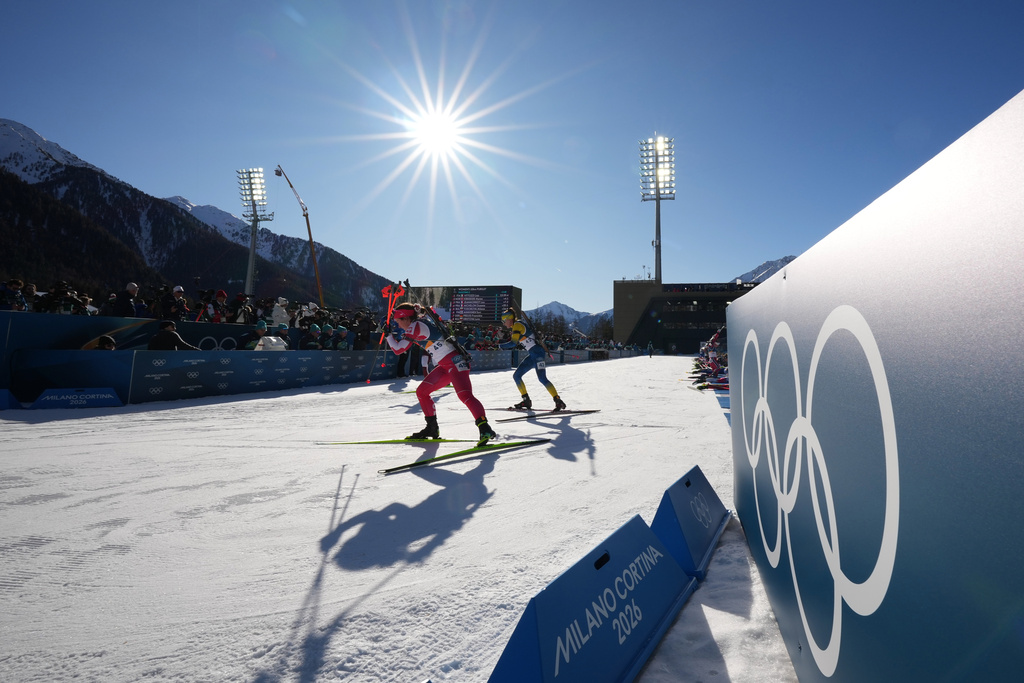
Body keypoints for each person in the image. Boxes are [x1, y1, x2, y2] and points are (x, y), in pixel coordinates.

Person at [384, 302, 497, 445]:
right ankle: (432, 428)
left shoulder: (415, 326)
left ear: (406, 318)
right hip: (446, 365)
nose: (398, 325)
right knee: (422, 392)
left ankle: (485, 427)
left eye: (398, 321)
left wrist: (388, 335)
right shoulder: (419, 322)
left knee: (464, 395)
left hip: (455, 363)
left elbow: (398, 349)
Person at [498, 308, 566, 412]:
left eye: (504, 320)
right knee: (516, 376)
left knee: (542, 378)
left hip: (538, 354)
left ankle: (558, 400)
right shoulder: (516, 325)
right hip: (533, 354)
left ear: (509, 319)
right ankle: (526, 400)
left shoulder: (517, 325)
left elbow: (513, 343)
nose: (503, 323)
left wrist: (499, 346)